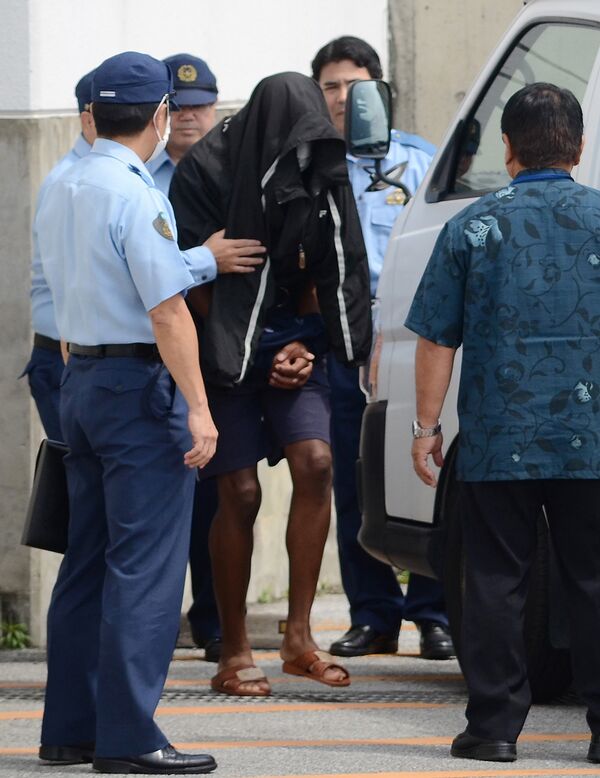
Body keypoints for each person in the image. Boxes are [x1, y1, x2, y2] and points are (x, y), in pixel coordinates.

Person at [35, 51, 235, 774]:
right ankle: (129, 737)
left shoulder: (60, 182)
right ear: (158, 116)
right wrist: (199, 407)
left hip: (80, 377)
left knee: (86, 563)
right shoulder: (137, 194)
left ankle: (69, 730)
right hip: (136, 388)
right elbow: (167, 310)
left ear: (94, 113)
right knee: (144, 569)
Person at [406, 82, 600, 764]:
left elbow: (436, 338)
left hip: (499, 435)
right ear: (577, 147)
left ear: (508, 147)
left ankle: (492, 728)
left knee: (493, 577)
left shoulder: (474, 225)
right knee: (594, 575)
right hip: (594, 435)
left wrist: (425, 427)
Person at [170, 71, 372, 696]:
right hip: (223, 346)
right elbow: (192, 285)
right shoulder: (205, 171)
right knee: (239, 491)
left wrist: (307, 348)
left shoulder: (322, 167)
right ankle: (232, 649)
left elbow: (336, 269)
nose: (301, 160)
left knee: (316, 464)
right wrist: (260, 353)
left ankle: (299, 637)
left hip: (290, 342)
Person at [311, 36, 454, 660]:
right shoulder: (313, 167)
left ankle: (433, 612)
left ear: (380, 88)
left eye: (354, 84)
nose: (343, 99)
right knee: (352, 473)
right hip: (342, 336)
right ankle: (372, 614)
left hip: (412, 336)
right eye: (329, 87)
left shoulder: (424, 163)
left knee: (427, 468)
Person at [148, 53, 221, 664]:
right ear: (161, 113)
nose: (192, 117)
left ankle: (215, 619)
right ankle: (164, 620)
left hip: (221, 350)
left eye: (202, 105)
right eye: (181, 106)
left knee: (219, 490)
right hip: (159, 353)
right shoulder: (140, 180)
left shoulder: (234, 173)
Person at [21, 69, 97, 441]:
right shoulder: (73, 182)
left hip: (88, 359)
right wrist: (204, 260)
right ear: (89, 117)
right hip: (67, 358)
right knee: (77, 489)